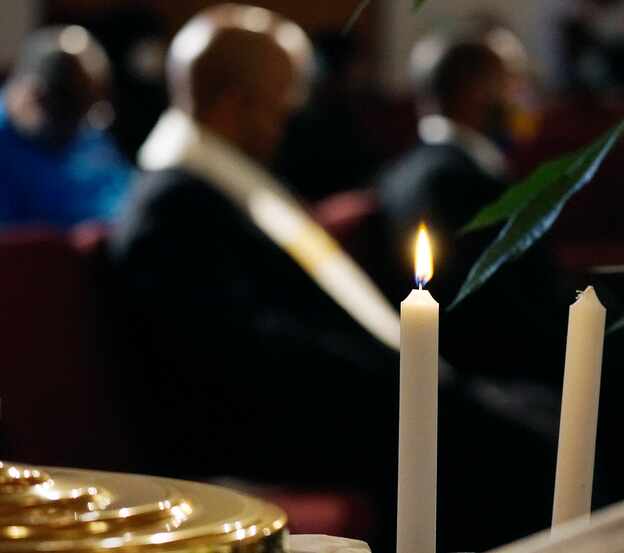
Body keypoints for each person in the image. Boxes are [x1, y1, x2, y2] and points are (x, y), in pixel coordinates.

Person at [110, 6, 559, 551]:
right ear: (233, 105)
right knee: (515, 446)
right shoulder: (171, 209)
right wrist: (394, 378)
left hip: (322, 397)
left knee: (528, 419)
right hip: (268, 429)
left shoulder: (221, 186)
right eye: (280, 107)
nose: (288, 123)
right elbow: (242, 355)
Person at [377, 28, 570, 385]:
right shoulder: (451, 183)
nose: (526, 99)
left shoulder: (403, 169)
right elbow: (503, 312)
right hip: (507, 384)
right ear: (475, 92)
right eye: (514, 84)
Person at [0, 25, 132, 229]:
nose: (86, 124)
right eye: (71, 110)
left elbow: (124, 193)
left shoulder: (88, 129)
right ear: (32, 96)